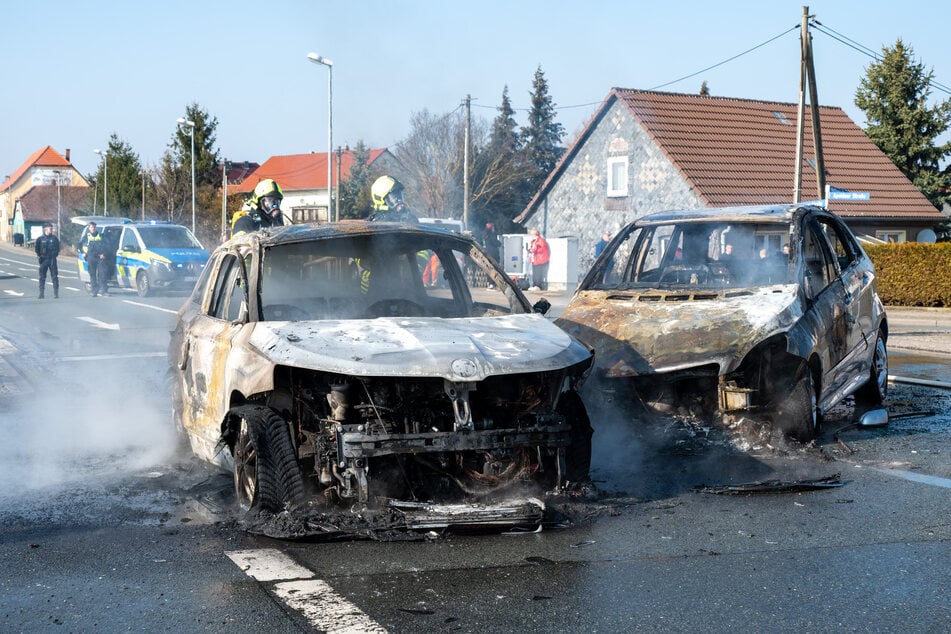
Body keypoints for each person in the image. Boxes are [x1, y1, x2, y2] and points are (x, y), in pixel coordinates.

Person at [80, 221, 108, 297]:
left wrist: (103, 254)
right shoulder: (87, 236)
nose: (93, 228)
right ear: (89, 228)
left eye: (94, 227)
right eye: (91, 227)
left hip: (100, 257)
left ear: (96, 228)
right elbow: (79, 245)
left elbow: (106, 245)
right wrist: (83, 253)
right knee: (92, 275)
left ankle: (103, 290)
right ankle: (94, 291)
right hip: (91, 257)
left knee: (102, 274)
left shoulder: (101, 235)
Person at [35, 222, 60, 299]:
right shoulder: (40, 239)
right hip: (44, 259)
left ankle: (56, 294)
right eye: (50, 228)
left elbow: (58, 248)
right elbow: (37, 249)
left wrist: (54, 255)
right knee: (42, 277)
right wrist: (40, 256)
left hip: (52, 259)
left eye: (51, 228)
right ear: (45, 229)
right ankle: (41, 293)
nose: (51, 229)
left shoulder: (54, 238)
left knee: (54, 277)